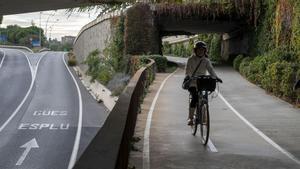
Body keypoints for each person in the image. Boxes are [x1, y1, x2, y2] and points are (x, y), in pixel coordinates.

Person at [185, 41, 222, 126]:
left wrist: (216, 77)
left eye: (202, 50)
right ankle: (190, 118)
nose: (200, 51)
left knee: (204, 96)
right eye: (198, 49)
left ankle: (204, 113)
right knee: (194, 97)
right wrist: (189, 77)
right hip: (193, 82)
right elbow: (188, 71)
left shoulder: (206, 60)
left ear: (205, 51)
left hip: (202, 82)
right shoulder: (190, 60)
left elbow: (211, 70)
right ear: (195, 50)